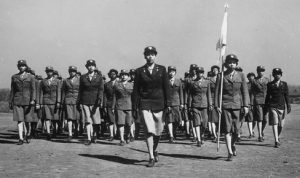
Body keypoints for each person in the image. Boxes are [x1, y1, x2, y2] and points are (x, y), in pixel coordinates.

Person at [133, 46, 170, 167]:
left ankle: (154, 149)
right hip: (145, 103)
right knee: (149, 130)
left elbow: (166, 87)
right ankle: (151, 157)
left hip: (159, 103)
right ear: (145, 56)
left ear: (155, 56)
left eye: (152, 54)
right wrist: (135, 106)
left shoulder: (162, 69)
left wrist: (168, 103)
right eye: (148, 54)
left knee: (158, 132)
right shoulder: (139, 71)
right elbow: (136, 90)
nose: (150, 56)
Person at [215, 54, 249, 161]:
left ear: (236, 64)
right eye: (229, 62)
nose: (231, 64)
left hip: (238, 106)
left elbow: (245, 92)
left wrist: (246, 105)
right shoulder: (221, 76)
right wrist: (217, 105)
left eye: (234, 62)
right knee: (227, 129)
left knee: (237, 130)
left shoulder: (241, 75)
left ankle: (233, 144)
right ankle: (229, 151)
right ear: (226, 64)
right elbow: (217, 93)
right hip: (225, 105)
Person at [9, 60, 36, 145]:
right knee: (19, 120)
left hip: (28, 101)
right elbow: (12, 90)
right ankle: (20, 138)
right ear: (18, 67)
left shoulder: (31, 77)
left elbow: (33, 90)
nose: (21, 67)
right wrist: (10, 101)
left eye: (23, 66)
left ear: (26, 67)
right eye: (20, 66)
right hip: (17, 101)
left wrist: (33, 99)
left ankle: (28, 134)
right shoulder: (14, 77)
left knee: (27, 120)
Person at [78, 59, 104, 145]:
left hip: (95, 102)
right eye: (89, 65)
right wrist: (79, 101)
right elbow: (80, 90)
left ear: (95, 66)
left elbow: (101, 89)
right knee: (88, 120)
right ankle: (89, 138)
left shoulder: (99, 77)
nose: (91, 67)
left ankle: (95, 135)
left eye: (92, 65)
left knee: (96, 121)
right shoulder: (83, 77)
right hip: (85, 101)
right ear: (86, 67)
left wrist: (100, 99)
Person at [265, 68, 291, 148]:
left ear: (281, 75)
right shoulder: (270, 84)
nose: (277, 75)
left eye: (279, 74)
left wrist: (288, 105)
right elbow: (267, 96)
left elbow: (286, 95)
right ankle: (276, 140)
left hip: (282, 106)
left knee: (281, 125)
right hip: (273, 106)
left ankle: (278, 137)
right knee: (275, 123)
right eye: (275, 74)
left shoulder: (284, 84)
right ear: (273, 75)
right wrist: (266, 106)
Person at [188, 67, 212, 147]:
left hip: (204, 105)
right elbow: (190, 95)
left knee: (204, 123)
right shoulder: (192, 83)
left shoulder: (207, 82)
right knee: (197, 122)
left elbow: (209, 94)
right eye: (198, 72)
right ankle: (198, 139)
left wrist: (210, 104)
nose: (200, 74)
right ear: (196, 73)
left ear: (203, 73)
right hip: (195, 105)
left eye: (201, 72)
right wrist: (189, 106)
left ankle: (202, 134)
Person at [39, 66, 61, 140]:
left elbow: (59, 92)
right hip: (46, 101)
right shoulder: (43, 81)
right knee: (47, 118)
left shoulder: (57, 81)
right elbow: (41, 92)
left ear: (52, 72)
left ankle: (54, 131)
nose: (49, 73)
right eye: (48, 71)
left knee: (55, 118)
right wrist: (41, 103)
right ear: (46, 72)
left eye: (50, 71)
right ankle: (48, 133)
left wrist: (58, 101)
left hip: (54, 102)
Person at [113, 70, 134, 145]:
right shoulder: (117, 85)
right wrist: (113, 106)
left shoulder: (131, 85)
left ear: (128, 76)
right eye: (122, 75)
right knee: (120, 123)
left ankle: (127, 135)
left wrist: (135, 106)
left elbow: (134, 97)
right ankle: (122, 139)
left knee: (128, 123)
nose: (123, 76)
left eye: (125, 75)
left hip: (129, 106)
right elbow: (114, 96)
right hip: (119, 106)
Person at [250, 66, 270, 142]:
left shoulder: (267, 80)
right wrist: (251, 103)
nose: (261, 72)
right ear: (257, 72)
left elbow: (269, 91)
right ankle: (260, 136)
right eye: (259, 71)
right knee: (259, 118)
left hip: (266, 101)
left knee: (265, 119)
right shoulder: (254, 80)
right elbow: (252, 93)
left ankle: (261, 131)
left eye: (262, 71)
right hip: (257, 101)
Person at [61, 66, 80, 142]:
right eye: (71, 71)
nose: (72, 72)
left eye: (74, 71)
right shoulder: (65, 80)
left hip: (76, 100)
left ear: (75, 72)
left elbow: (81, 91)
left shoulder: (79, 80)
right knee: (69, 118)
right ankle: (70, 134)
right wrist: (63, 101)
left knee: (76, 118)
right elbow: (63, 91)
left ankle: (76, 131)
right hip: (68, 100)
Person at [165, 66, 184, 143]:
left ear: (175, 73)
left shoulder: (178, 81)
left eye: (173, 72)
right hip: (169, 103)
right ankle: (171, 136)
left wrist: (182, 103)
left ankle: (174, 132)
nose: (171, 73)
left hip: (177, 103)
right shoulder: (165, 81)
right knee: (169, 120)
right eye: (170, 71)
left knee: (176, 120)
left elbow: (181, 93)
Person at [104, 69, 118, 141]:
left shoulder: (119, 83)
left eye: (114, 74)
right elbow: (105, 95)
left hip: (118, 103)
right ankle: (111, 135)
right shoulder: (106, 84)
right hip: (109, 103)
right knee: (110, 120)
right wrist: (105, 105)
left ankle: (117, 134)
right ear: (109, 75)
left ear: (116, 75)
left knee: (118, 119)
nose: (112, 75)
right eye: (111, 74)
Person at [208, 65, 220, 142]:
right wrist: (210, 103)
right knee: (213, 120)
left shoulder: (222, 79)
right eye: (213, 70)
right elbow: (208, 92)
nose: (215, 71)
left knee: (220, 120)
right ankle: (214, 135)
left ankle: (219, 134)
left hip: (221, 101)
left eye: (216, 70)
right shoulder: (209, 80)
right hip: (212, 100)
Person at [245, 73, 255, 138]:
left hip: (257, 103)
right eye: (249, 77)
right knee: (250, 118)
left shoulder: (257, 84)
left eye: (252, 76)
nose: (251, 78)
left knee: (256, 119)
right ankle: (251, 132)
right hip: (249, 104)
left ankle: (253, 130)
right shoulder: (247, 85)